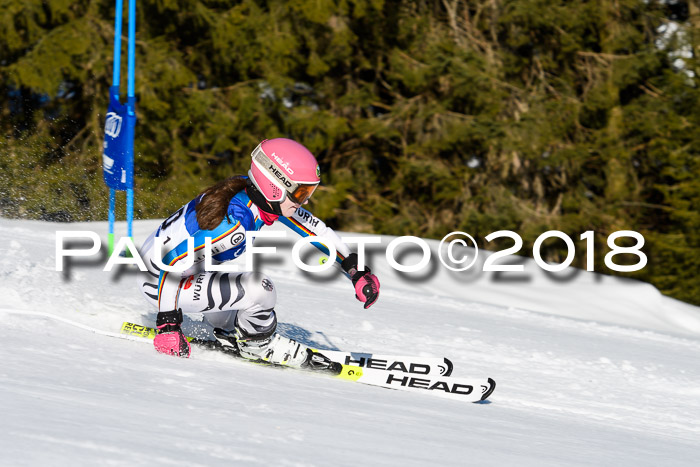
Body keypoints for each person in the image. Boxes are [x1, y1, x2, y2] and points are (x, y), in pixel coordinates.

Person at [137, 138, 380, 370]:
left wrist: (356, 271)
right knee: (260, 289)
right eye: (301, 194)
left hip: (181, 273)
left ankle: (228, 330)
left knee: (241, 312)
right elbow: (170, 263)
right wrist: (168, 325)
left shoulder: (252, 194)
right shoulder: (232, 227)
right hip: (159, 282)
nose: (304, 202)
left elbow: (316, 230)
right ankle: (257, 345)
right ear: (275, 188)